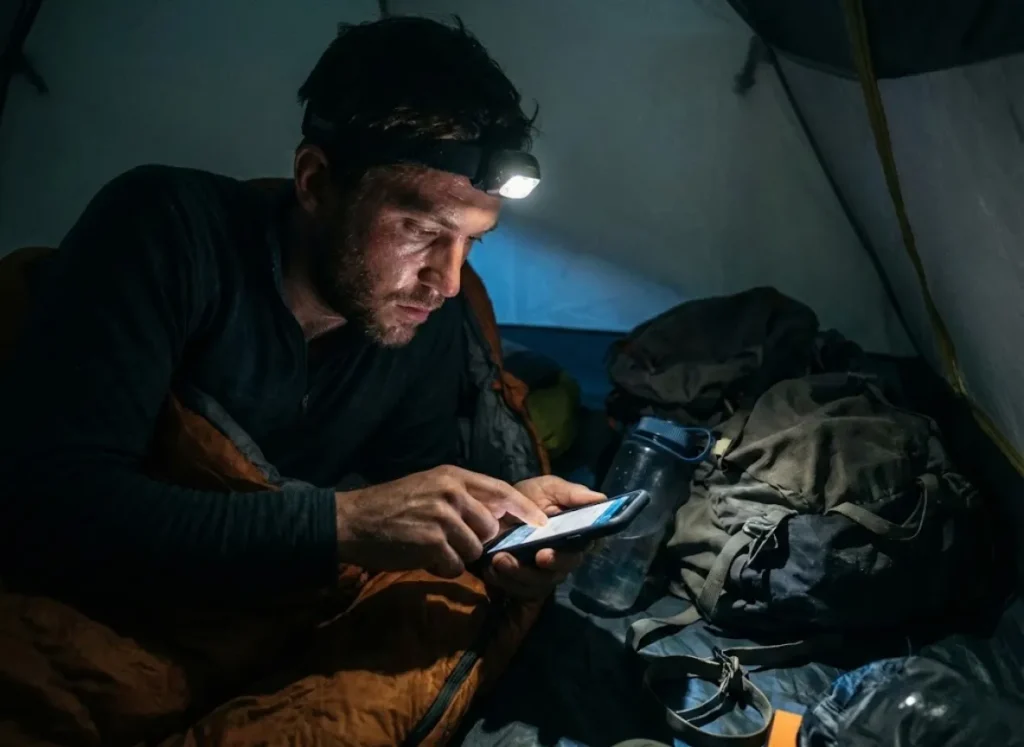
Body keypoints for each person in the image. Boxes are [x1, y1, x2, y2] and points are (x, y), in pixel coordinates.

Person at [0, 15, 603, 608]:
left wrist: (495, 532)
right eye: (420, 231)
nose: (446, 281)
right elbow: (50, 507)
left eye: (472, 242)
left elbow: (414, 488)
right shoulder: (166, 231)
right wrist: (337, 525)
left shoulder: (432, 318)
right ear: (315, 182)